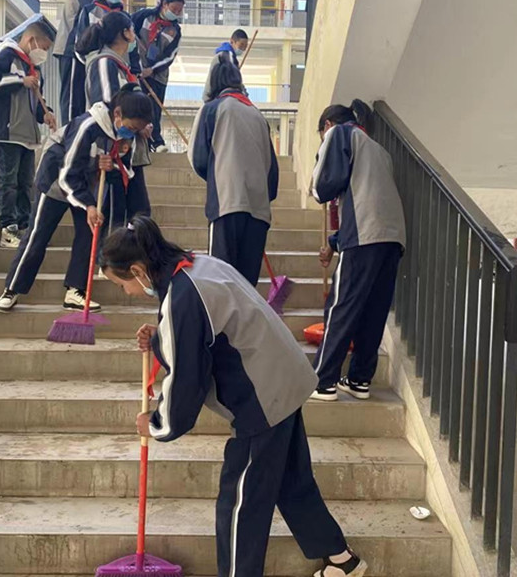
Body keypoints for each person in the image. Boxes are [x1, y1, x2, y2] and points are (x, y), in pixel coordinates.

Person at [100, 215, 368, 577]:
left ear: (137, 270)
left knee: (240, 504)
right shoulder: (196, 265)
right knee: (290, 481)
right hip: (282, 377)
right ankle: (342, 561)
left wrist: (159, 423)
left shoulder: (183, 297)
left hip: (262, 395)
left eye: (121, 285)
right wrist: (164, 335)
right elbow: (205, 333)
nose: (126, 293)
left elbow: (187, 379)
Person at [0, 85, 152, 313]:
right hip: (56, 182)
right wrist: (89, 203)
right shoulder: (87, 126)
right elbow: (68, 173)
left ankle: (76, 290)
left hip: (88, 187)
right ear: (117, 113)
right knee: (38, 234)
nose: (132, 132)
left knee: (88, 235)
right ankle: (12, 288)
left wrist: (112, 166)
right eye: (131, 127)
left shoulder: (128, 137)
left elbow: (126, 171)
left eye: (137, 129)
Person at [309, 100, 406, 402]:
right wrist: (334, 242)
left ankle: (322, 381)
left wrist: (316, 183)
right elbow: (366, 199)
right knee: (373, 310)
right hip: (392, 237)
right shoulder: (377, 149)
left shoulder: (339, 133)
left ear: (327, 125)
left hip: (364, 235)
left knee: (342, 306)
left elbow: (323, 186)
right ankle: (359, 379)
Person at [189, 61, 278, 286]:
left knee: (221, 278)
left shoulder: (212, 109)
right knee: (246, 285)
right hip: (259, 209)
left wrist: (217, 177)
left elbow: (197, 158)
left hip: (227, 203)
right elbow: (272, 173)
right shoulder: (258, 115)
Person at [77, 16, 153, 260]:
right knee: (113, 213)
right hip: (112, 149)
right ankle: (108, 262)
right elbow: (106, 107)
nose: (135, 35)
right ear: (125, 33)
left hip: (128, 149)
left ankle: (127, 259)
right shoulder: (103, 63)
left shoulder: (122, 66)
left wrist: (140, 125)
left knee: (139, 211)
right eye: (132, 30)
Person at [0, 22, 57, 249]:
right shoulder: (6, 54)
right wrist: (19, 81)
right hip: (8, 130)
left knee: (25, 183)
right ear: (31, 40)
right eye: (43, 47)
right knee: (8, 181)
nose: (43, 53)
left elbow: (36, 102)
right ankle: (8, 228)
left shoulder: (35, 69)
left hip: (27, 134)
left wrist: (46, 114)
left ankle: (25, 226)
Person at [54, 0, 113, 126]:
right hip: (71, 48)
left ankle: (74, 130)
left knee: (78, 96)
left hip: (76, 50)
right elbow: (95, 11)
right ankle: (68, 132)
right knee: (72, 97)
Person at [67, 0, 128, 122]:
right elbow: (80, 41)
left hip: (114, 64)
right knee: (86, 104)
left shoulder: (124, 16)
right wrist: (90, 62)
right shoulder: (90, 10)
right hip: (89, 63)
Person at [131, 0, 184, 153]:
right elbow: (129, 35)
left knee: (154, 108)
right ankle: (139, 140)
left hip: (158, 76)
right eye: (174, 9)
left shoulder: (175, 30)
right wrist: (137, 64)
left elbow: (170, 56)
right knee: (137, 106)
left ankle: (155, 141)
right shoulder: (144, 16)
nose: (176, 13)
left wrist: (152, 70)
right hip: (137, 71)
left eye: (179, 11)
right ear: (164, 5)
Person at [202, 28, 249, 102]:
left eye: (245, 46)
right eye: (241, 45)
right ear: (232, 41)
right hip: (220, 97)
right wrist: (244, 93)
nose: (243, 49)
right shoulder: (227, 56)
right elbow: (233, 81)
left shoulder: (223, 55)